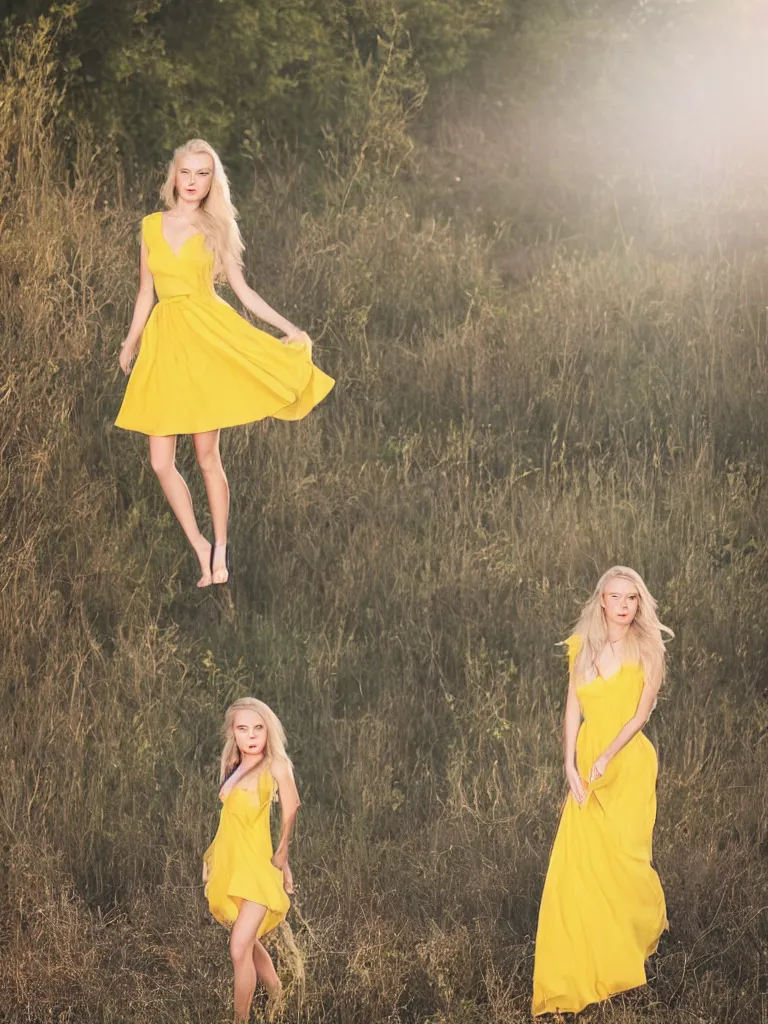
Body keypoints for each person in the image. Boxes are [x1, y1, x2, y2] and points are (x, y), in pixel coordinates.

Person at [115, 139, 334, 587]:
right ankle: (196, 542)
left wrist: (289, 329)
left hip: (208, 339)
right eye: (187, 173)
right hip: (164, 344)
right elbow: (145, 292)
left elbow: (242, 290)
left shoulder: (217, 227)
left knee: (206, 455)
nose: (193, 182)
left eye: (203, 174)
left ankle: (219, 549)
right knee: (160, 461)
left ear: (212, 181)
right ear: (174, 176)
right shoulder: (150, 226)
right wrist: (129, 342)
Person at [532, 566, 673, 1016]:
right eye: (616, 597)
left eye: (632, 597)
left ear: (639, 601)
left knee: (624, 862)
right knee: (579, 865)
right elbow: (572, 708)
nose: (624, 606)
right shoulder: (583, 648)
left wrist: (608, 754)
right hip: (588, 765)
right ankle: (578, 965)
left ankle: (629, 946)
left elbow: (641, 716)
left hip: (626, 762)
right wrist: (568, 763)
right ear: (602, 601)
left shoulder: (648, 649)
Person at [203, 697, 300, 1022]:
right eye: (243, 728)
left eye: (258, 727)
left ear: (267, 730)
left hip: (259, 870)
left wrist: (283, 856)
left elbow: (292, 807)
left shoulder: (275, 765)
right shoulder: (232, 765)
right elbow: (228, 819)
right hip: (234, 867)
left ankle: (239, 1020)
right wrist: (212, 856)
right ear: (233, 732)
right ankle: (276, 994)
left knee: (237, 947)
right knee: (248, 944)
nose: (252, 735)